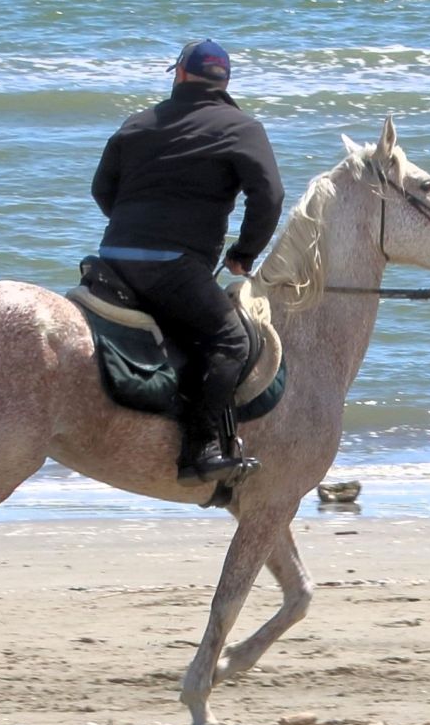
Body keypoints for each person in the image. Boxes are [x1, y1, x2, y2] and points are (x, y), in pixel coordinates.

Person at [90, 39, 285, 485]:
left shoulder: (136, 125)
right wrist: (243, 254)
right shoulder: (241, 128)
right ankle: (199, 450)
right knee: (231, 341)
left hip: (114, 259)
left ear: (179, 75)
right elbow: (269, 197)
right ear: (226, 82)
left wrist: (131, 230)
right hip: (172, 268)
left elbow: (103, 190)